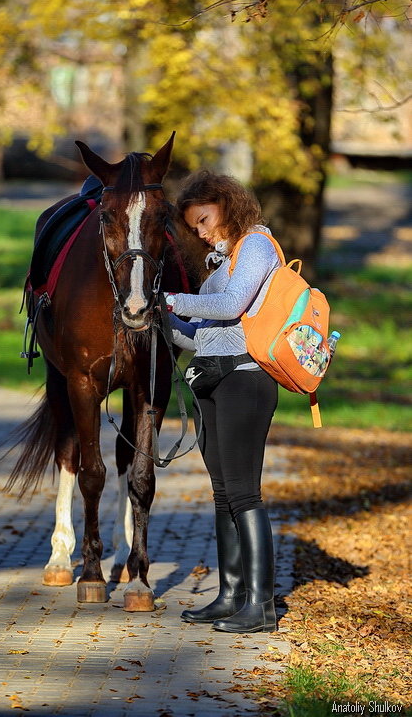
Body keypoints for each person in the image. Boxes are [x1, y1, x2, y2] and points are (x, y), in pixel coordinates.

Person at [164, 170, 281, 634]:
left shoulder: (255, 244)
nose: (201, 231)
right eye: (193, 226)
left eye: (205, 218)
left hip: (246, 380)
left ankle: (262, 605)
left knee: (245, 492)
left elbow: (233, 306)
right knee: (221, 494)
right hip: (211, 378)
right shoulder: (220, 260)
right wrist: (157, 317)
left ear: (226, 205)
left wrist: (175, 299)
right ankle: (231, 595)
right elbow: (200, 336)